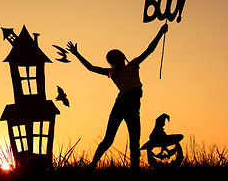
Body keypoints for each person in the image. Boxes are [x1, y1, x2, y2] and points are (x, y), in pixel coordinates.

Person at [67, 23, 168, 170]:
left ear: (123, 56)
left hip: (133, 106)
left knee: (135, 141)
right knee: (108, 139)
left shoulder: (133, 65)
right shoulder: (111, 72)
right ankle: (93, 164)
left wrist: (161, 31)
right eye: (111, 59)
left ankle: (135, 170)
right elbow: (91, 68)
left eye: (116, 57)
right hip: (120, 106)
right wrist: (77, 54)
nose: (114, 60)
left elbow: (150, 49)